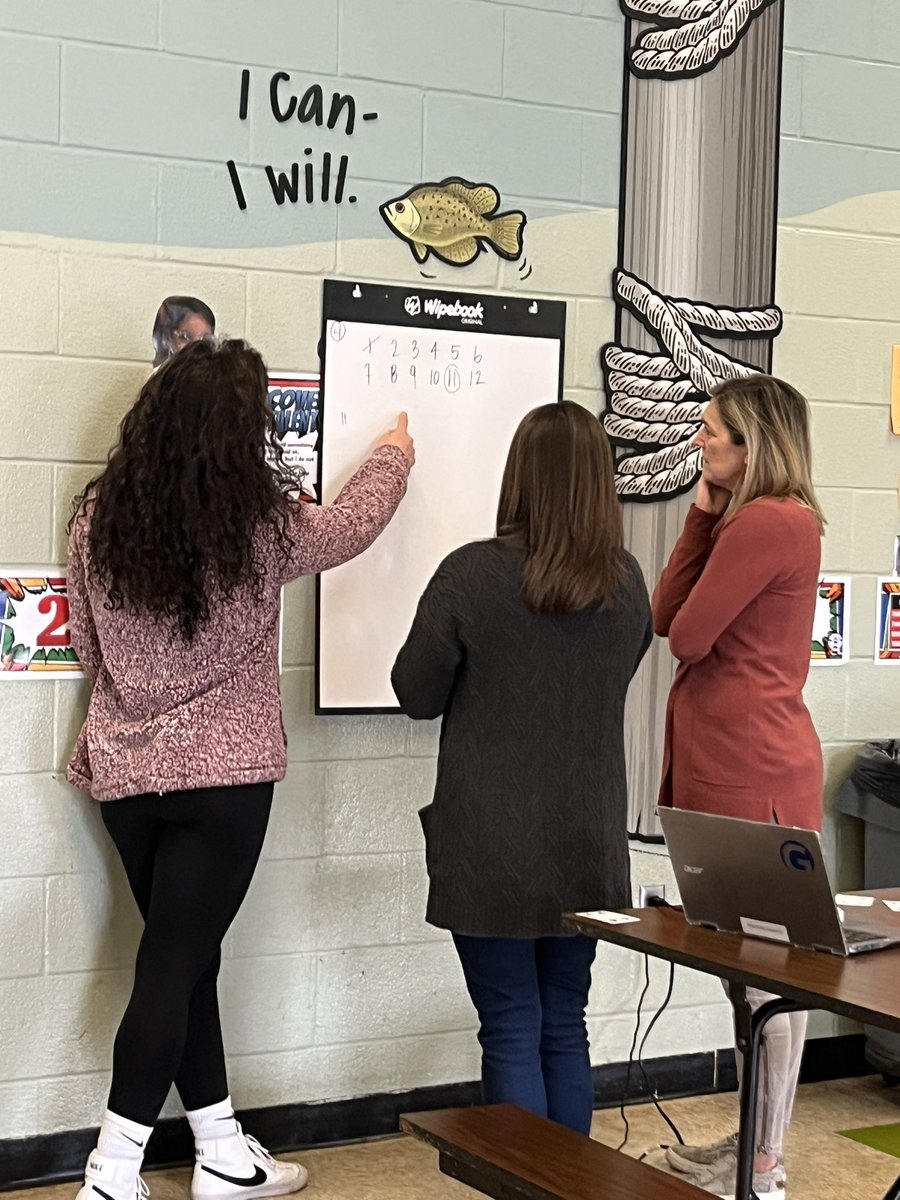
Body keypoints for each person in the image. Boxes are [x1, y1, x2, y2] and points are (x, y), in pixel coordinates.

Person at [66, 338, 414, 1200]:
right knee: (173, 966)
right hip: (222, 785)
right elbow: (347, 527)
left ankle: (221, 1148)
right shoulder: (255, 526)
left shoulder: (99, 516)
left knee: (187, 960)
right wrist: (394, 456)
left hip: (127, 780)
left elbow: (84, 645)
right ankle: (113, 1172)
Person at [391, 401, 652, 1136]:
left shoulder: (471, 575)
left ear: (519, 478)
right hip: (590, 844)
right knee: (564, 1025)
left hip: (489, 848)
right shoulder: (628, 585)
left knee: (509, 1025)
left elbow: (415, 693)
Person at [652, 374, 825, 1199]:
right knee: (743, 968)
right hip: (731, 768)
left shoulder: (770, 522)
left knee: (768, 976)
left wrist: (714, 515)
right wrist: (701, 509)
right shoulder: (747, 519)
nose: (698, 443)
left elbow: (686, 635)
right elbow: (663, 614)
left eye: (712, 433)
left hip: (755, 775)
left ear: (752, 444)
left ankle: (765, 1165)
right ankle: (757, 1142)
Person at [151, 296, 216, 366]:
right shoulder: (157, 376)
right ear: (164, 339)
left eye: (206, 340)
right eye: (185, 337)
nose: (197, 348)